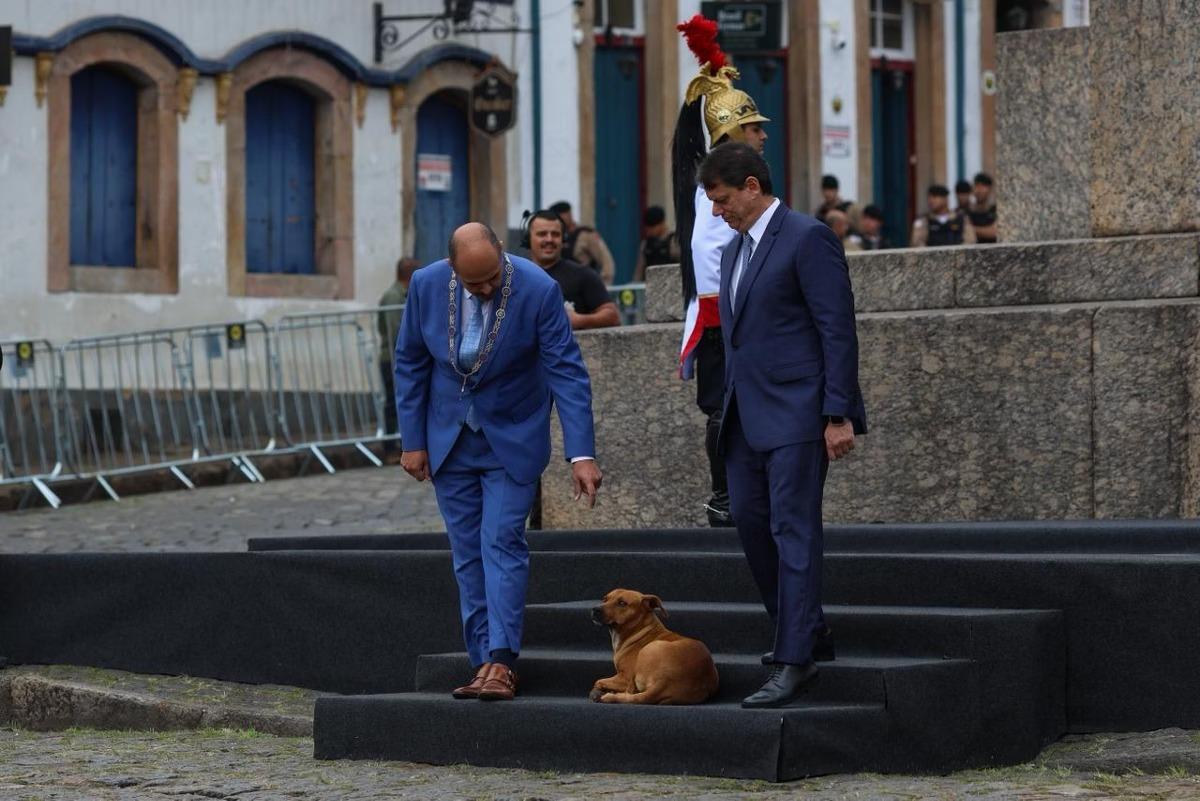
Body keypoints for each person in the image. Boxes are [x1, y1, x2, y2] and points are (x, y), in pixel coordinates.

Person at [393, 222, 602, 702]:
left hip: (512, 438)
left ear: (502, 254)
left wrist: (581, 454)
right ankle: (481, 660)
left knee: (502, 542)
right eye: (474, 283)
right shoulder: (425, 285)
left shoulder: (538, 289)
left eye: (492, 278)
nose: (486, 289)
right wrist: (413, 439)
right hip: (449, 440)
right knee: (467, 554)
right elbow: (409, 361)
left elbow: (566, 370)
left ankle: (503, 661)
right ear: (451, 268)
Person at [699, 142, 866, 709]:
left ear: (751, 186)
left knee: (793, 531)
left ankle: (794, 658)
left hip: (799, 412)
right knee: (748, 523)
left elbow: (836, 328)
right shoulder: (730, 253)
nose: (718, 212)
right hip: (744, 418)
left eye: (722, 200)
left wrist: (837, 412)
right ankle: (808, 629)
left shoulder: (807, 236)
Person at [673, 13, 771, 528]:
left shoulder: (745, 181)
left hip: (738, 314)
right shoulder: (715, 193)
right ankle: (722, 495)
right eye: (755, 127)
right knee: (722, 410)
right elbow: (713, 264)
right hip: (722, 317)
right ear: (733, 130)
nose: (762, 135)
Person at [526, 210, 620, 330]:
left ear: (563, 239)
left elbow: (612, 316)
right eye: (542, 234)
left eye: (555, 234)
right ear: (528, 239)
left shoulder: (583, 275)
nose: (549, 239)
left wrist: (578, 320)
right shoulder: (516, 276)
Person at [378, 257, 419, 457]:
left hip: (398, 358)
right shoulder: (393, 297)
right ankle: (390, 446)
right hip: (393, 359)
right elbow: (396, 332)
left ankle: (401, 442)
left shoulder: (403, 295)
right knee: (394, 402)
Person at [548, 200, 616, 285]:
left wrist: (603, 288)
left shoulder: (586, 235)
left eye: (560, 217)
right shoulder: (555, 237)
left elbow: (607, 263)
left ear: (568, 215)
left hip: (584, 287)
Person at [910, 184, 976, 247]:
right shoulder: (923, 221)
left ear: (945, 199)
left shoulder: (961, 218)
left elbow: (970, 241)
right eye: (929, 197)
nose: (931, 200)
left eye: (935, 197)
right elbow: (917, 244)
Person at [634, 205, 681, 281]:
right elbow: (639, 272)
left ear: (662, 223)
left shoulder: (674, 242)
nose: (650, 231)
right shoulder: (646, 245)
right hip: (651, 287)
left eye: (652, 227)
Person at [970, 172, 998, 243]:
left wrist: (972, 230)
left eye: (983, 186)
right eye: (977, 186)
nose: (979, 190)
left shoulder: (996, 210)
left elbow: (994, 232)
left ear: (990, 189)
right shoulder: (967, 212)